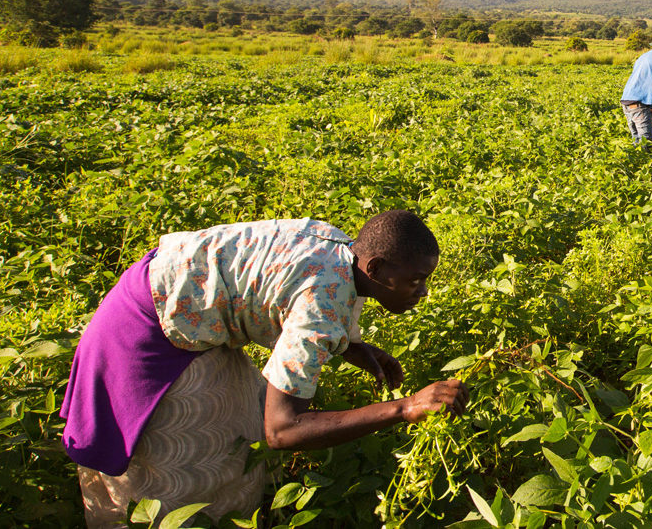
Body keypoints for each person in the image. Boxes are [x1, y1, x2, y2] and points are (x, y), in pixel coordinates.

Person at [60, 211, 470, 527]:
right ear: (377, 270)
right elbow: (282, 430)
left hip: (172, 299)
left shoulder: (340, 249)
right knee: (190, 471)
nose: (423, 291)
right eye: (415, 281)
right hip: (146, 333)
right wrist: (406, 408)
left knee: (238, 426)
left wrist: (354, 347)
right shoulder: (320, 311)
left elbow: (304, 290)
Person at [620, 31, 652, 143]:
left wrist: (649, 109)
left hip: (626, 102)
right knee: (646, 143)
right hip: (638, 104)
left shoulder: (643, 57)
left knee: (637, 142)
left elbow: (642, 82)